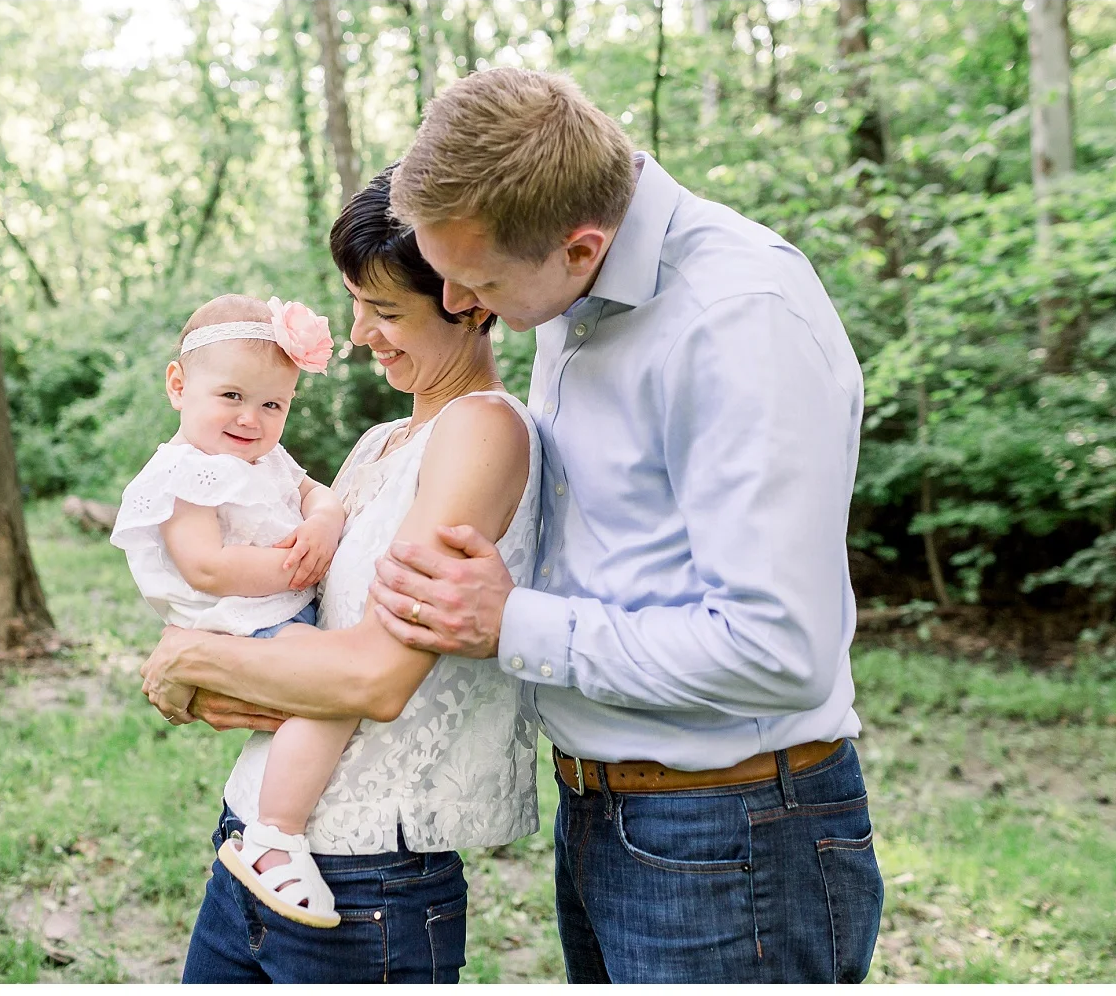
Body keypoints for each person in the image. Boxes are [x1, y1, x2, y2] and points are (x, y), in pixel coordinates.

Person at [365, 67, 885, 983]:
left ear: (581, 246)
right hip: (608, 817)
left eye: (476, 281)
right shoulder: (573, 287)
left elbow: (779, 646)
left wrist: (510, 623)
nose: (457, 307)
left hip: (733, 837)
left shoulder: (737, 321)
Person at [140, 164, 544, 983]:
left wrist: (189, 656)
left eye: (387, 309)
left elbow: (375, 677)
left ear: (473, 300)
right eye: (357, 303)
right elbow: (301, 635)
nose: (361, 334)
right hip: (250, 841)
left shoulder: (484, 432)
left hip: (368, 884)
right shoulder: (378, 443)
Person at [111, 293, 364, 929]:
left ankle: (273, 819)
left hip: (272, 608)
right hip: (234, 616)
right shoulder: (185, 471)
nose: (251, 418)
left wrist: (327, 520)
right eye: (231, 396)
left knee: (322, 691)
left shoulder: (265, 457)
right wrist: (305, 565)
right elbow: (206, 566)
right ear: (179, 385)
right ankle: (275, 836)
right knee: (330, 694)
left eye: (272, 404)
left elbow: (314, 492)